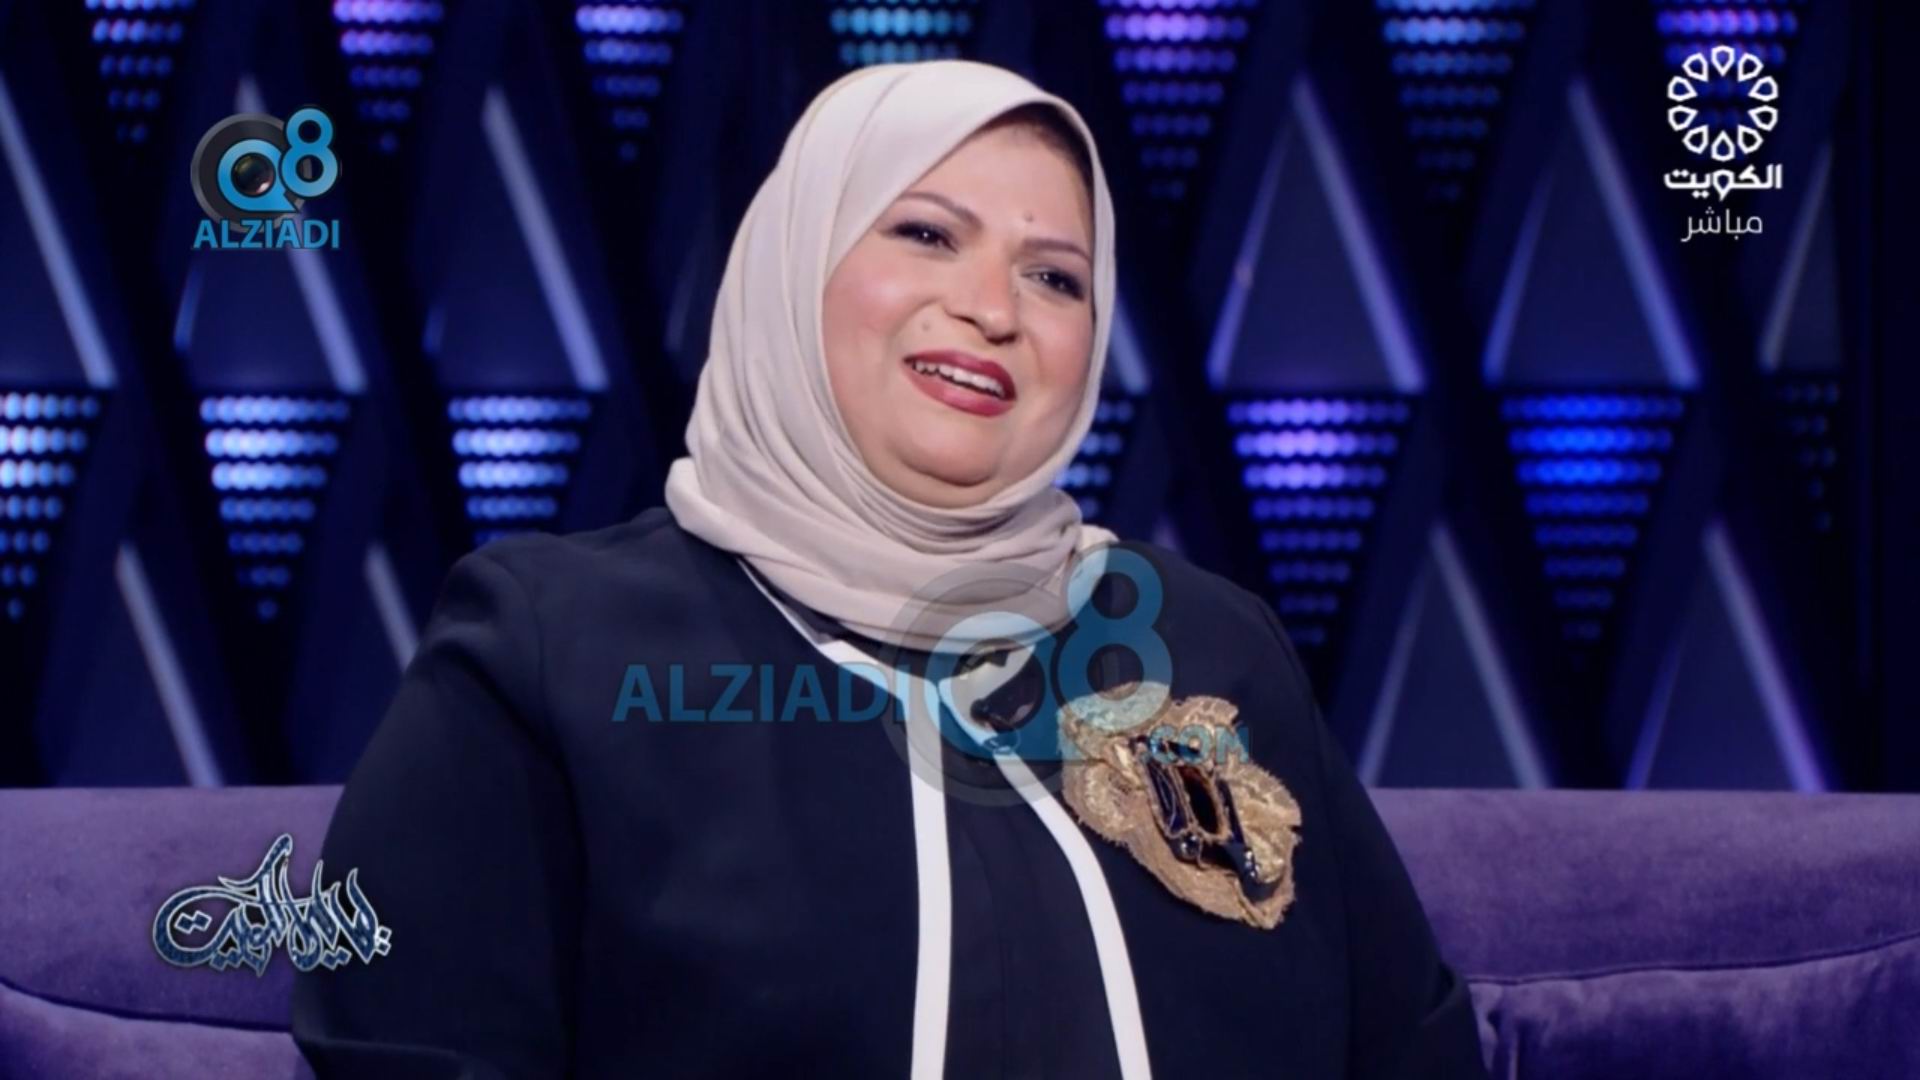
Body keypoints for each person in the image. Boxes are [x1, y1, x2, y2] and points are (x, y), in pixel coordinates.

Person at [292, 59, 1489, 1078]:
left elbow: (1413, 1052)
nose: (992, 309)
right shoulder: (552, 645)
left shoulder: (1208, 644)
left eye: (1054, 276)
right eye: (926, 233)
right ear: (793, 263)